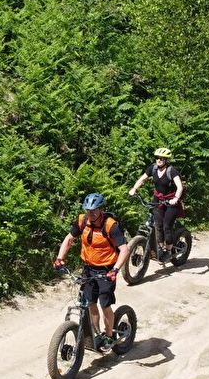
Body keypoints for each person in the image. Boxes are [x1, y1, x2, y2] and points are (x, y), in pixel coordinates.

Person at [52, 193, 133, 353]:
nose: (91, 213)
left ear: (101, 209)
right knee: (90, 303)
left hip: (107, 270)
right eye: (88, 210)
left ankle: (109, 336)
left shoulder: (111, 226)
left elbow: (124, 250)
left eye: (95, 210)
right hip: (88, 268)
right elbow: (69, 238)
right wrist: (60, 258)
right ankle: (96, 333)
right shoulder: (82, 220)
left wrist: (115, 270)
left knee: (105, 305)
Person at [129, 147, 184, 263]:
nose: (159, 160)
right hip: (158, 200)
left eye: (162, 158)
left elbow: (179, 187)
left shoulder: (171, 171)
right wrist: (134, 188)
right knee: (157, 225)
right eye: (157, 158)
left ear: (166, 160)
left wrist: (176, 198)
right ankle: (160, 247)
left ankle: (168, 251)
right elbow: (142, 179)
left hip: (171, 202)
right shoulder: (153, 169)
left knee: (166, 226)